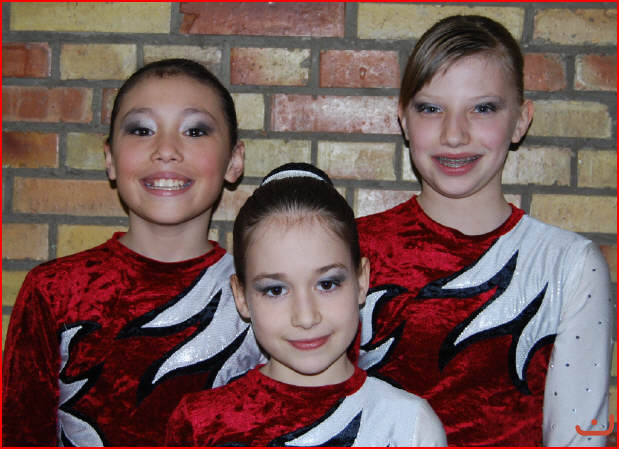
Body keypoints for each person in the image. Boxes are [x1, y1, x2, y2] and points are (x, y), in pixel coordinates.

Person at [356, 15, 612, 447]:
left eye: (483, 108)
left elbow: (580, 436)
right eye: (431, 108)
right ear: (403, 119)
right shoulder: (351, 249)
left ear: (520, 121)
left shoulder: (569, 265)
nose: (454, 135)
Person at [2, 58, 265, 446]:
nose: (166, 150)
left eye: (195, 131)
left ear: (234, 160)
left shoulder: (264, 293)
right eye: (142, 130)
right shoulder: (54, 290)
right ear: (110, 158)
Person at [165, 162, 447, 447]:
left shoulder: (408, 425)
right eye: (276, 290)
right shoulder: (199, 425)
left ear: (362, 281)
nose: (306, 317)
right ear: (241, 297)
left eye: (327, 284)